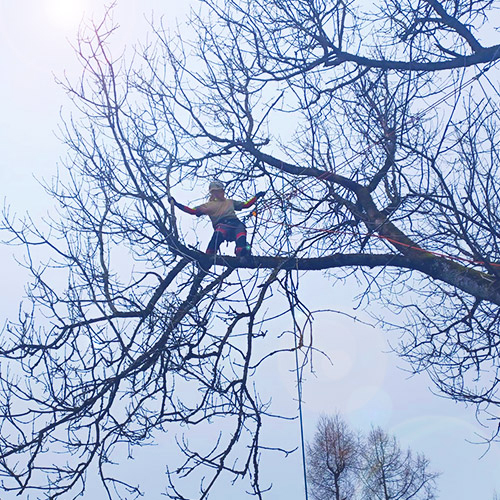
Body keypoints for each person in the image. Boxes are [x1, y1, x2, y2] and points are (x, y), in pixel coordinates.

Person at [169, 181, 266, 258]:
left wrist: (256, 196)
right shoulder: (209, 205)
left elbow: (246, 205)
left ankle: (242, 251)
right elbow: (192, 211)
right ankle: (208, 256)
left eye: (222, 190)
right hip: (222, 225)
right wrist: (177, 204)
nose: (222, 193)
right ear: (214, 193)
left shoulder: (230, 202)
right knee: (218, 235)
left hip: (236, 223)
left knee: (241, 234)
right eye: (219, 191)